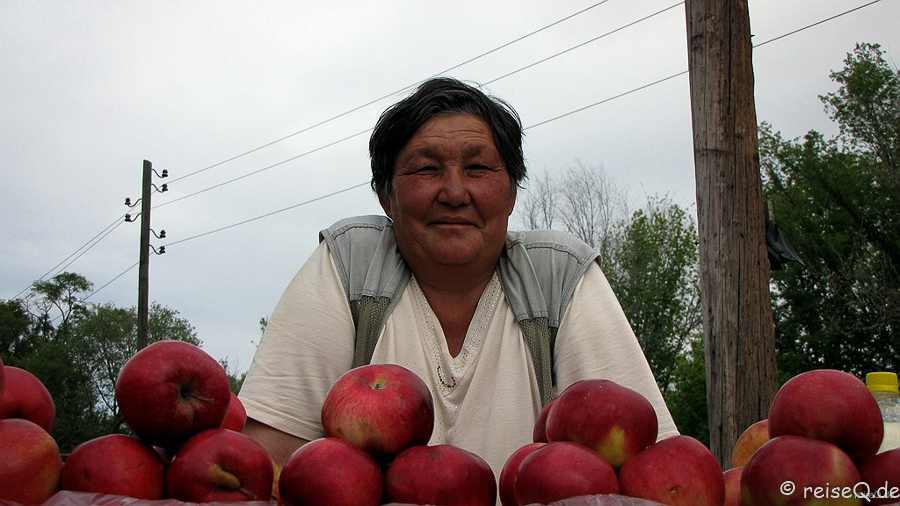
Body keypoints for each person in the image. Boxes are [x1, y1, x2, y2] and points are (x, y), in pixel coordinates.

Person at [239, 77, 678, 480]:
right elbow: (270, 460)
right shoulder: (352, 264)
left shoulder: (557, 277)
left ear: (511, 193)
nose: (454, 193)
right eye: (426, 170)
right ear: (385, 196)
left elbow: (647, 466)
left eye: (478, 169)